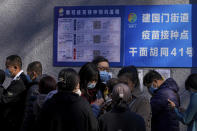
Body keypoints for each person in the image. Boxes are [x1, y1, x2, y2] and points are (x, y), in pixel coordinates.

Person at [118, 65, 151, 131]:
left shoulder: (142, 100)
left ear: (134, 83)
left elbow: (141, 124)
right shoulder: (119, 98)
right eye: (120, 83)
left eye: (125, 83)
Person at [0, 55, 28, 131]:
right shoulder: (18, 80)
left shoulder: (19, 82)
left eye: (7, 67)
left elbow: (4, 100)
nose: (6, 69)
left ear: (15, 67)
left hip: (13, 122)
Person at [21, 61, 43, 131]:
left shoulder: (33, 89)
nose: (27, 76)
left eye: (28, 73)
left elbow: (29, 112)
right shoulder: (46, 84)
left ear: (34, 73)